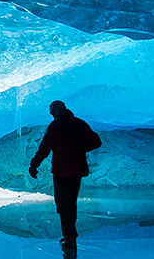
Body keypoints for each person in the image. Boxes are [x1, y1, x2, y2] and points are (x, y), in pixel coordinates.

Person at [29, 101, 101, 250]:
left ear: (56, 111)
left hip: (61, 171)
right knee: (71, 204)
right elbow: (96, 142)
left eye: (51, 111)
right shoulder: (79, 123)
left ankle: (69, 237)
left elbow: (45, 148)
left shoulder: (56, 126)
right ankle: (71, 236)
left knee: (62, 205)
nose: (51, 114)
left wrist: (34, 165)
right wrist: (80, 148)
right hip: (77, 170)